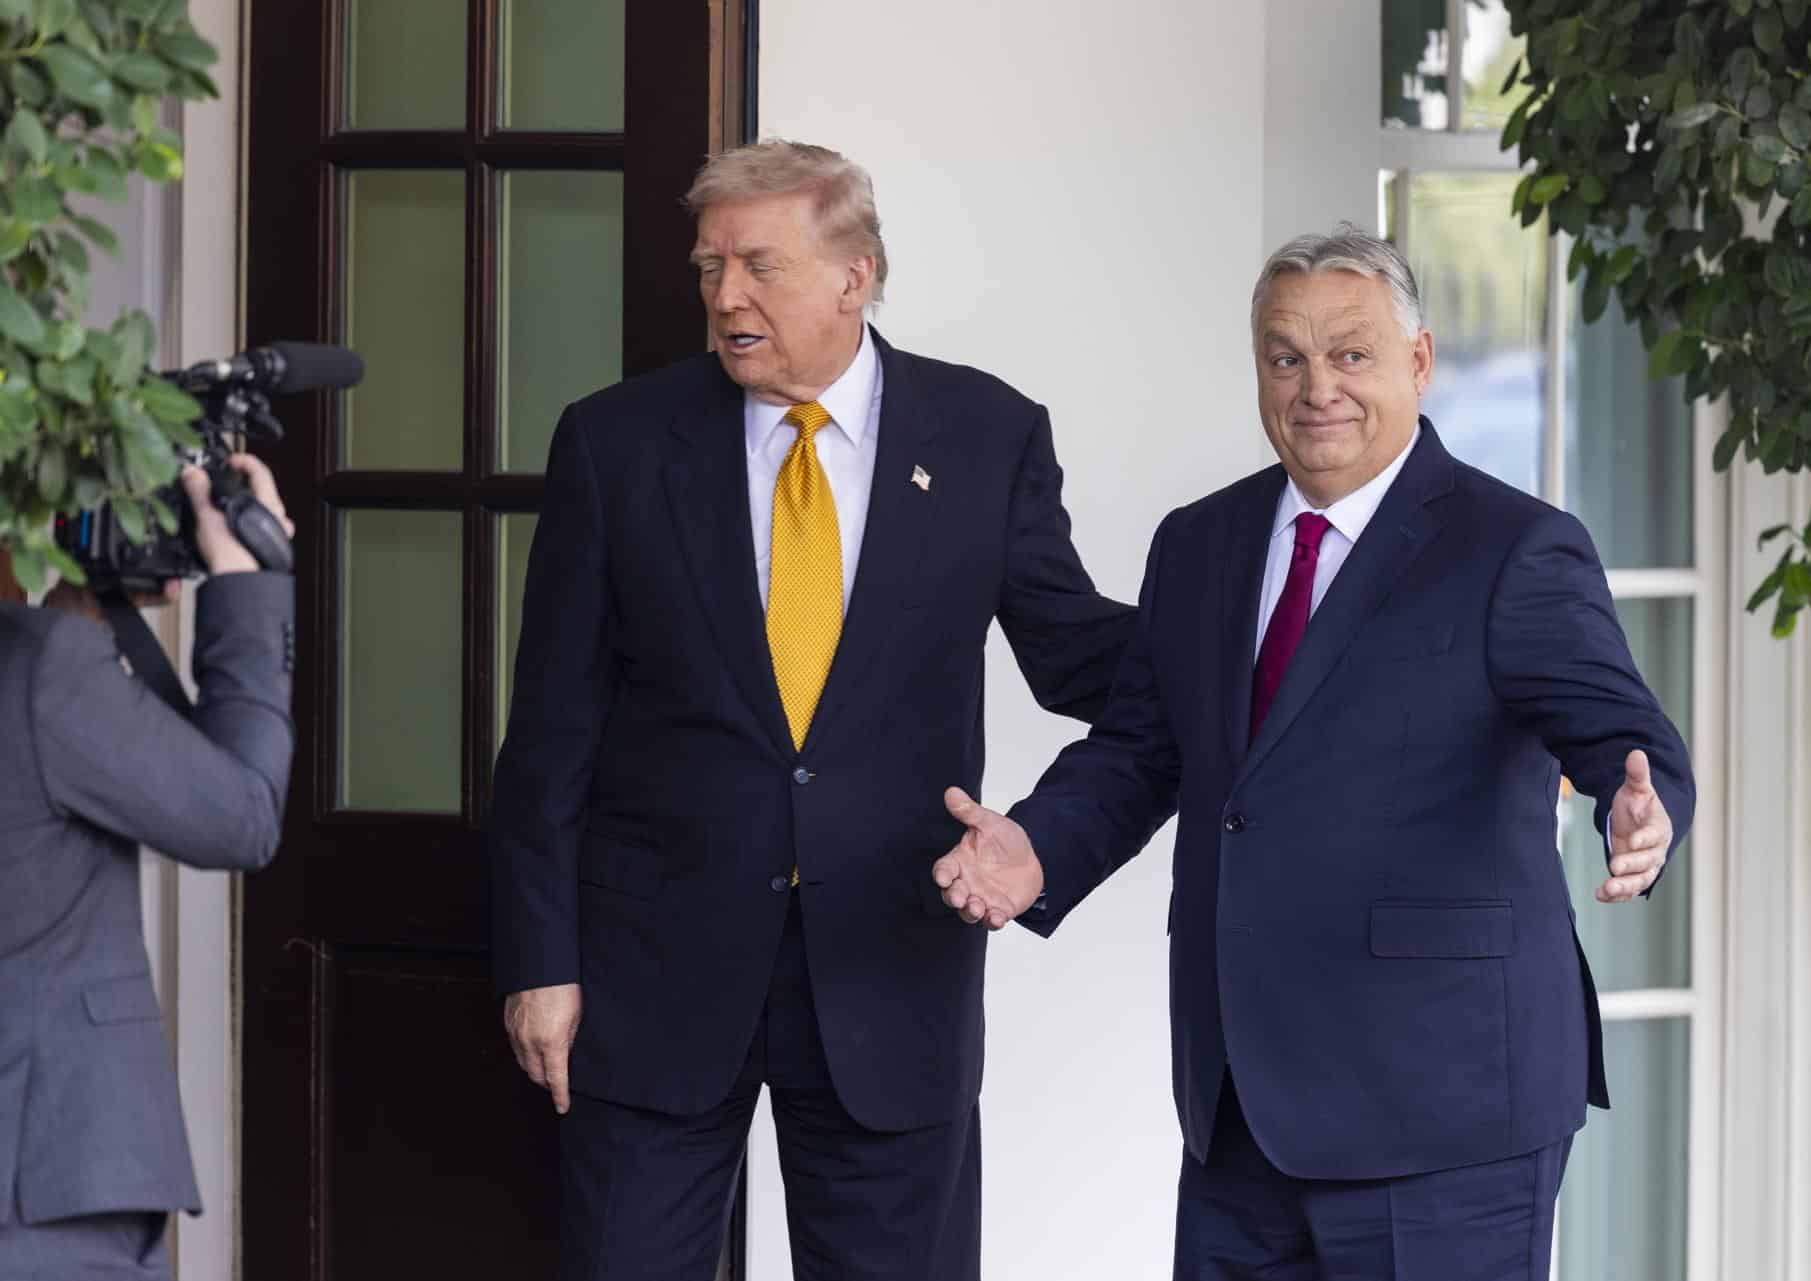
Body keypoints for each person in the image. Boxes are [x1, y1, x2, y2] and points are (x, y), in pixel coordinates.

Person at [934, 226, 1695, 1281]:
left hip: (1444, 1113)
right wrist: (1037, 851)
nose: (1315, 387)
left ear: (1419, 364)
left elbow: (1623, 735)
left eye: (1350, 354)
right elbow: (1142, 752)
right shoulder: (1199, 544)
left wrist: (1636, 806)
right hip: (1241, 1102)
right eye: (1285, 357)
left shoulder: (1512, 546)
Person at [490, 139, 1135, 1281]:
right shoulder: (616, 443)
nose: (725, 297)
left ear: (857, 275)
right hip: (651, 983)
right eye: (708, 268)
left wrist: (1244, 647)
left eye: (757, 267)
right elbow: (549, 732)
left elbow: (1085, 664)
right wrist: (539, 960)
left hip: (889, 970)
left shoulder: (985, 436)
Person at [0, 455, 296, 1278]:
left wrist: (82, 622)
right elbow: (241, 817)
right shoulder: (37, 672)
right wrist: (247, 582)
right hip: (43, 1191)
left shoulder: (45, 666)